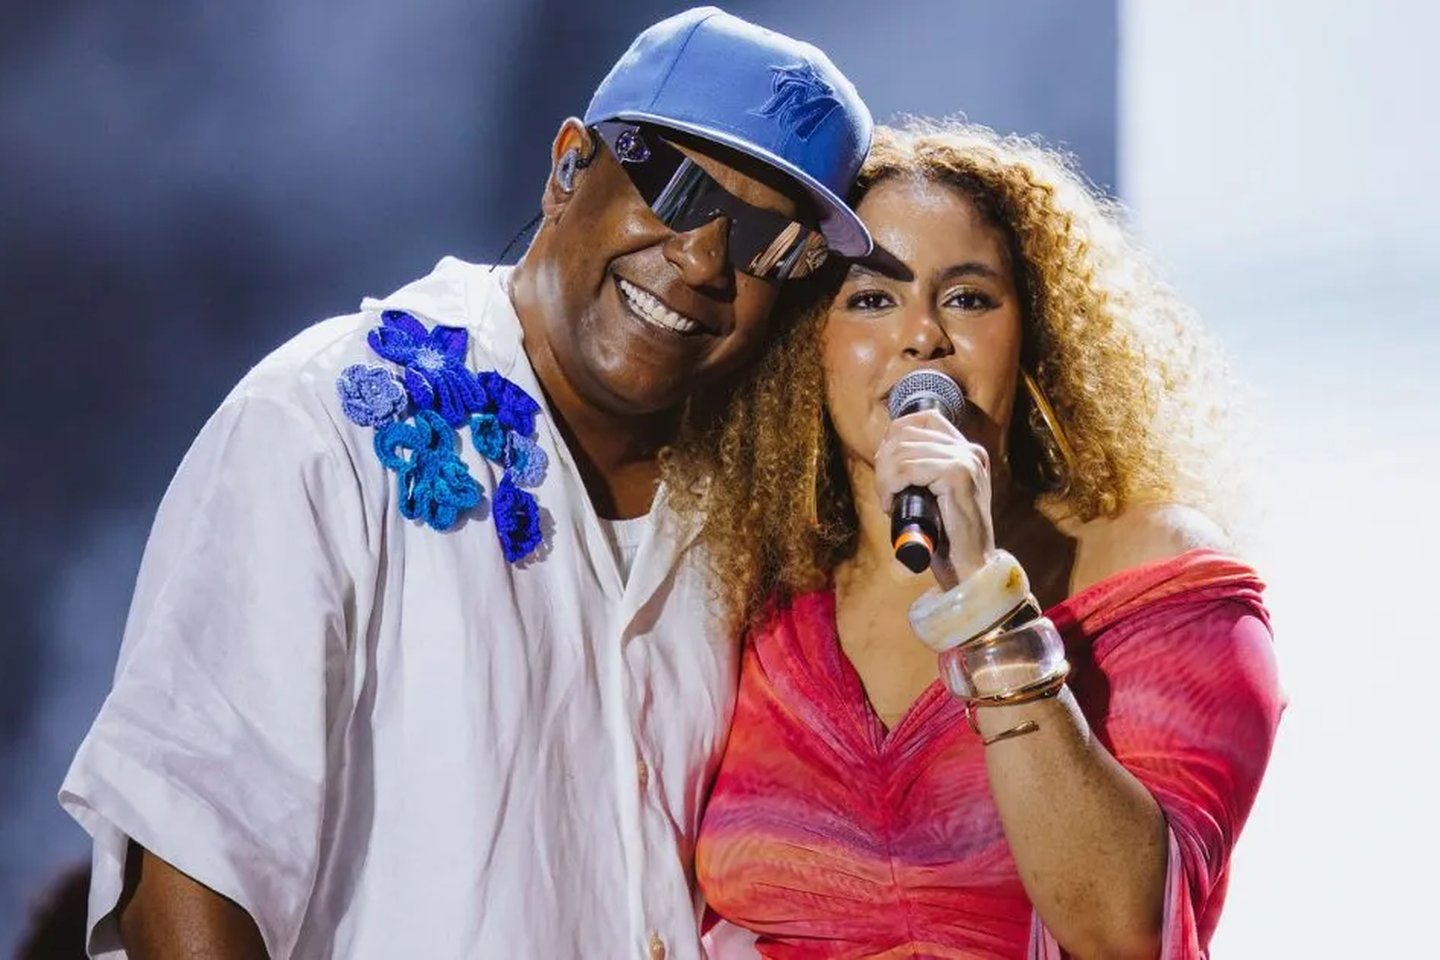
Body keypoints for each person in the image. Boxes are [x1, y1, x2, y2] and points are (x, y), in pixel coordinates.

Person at [57, 8, 872, 958]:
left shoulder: (744, 518)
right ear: (569, 167)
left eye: (767, 241)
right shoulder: (325, 423)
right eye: (678, 188)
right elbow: (186, 861)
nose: (701, 260)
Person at [681, 121, 1284, 958]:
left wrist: (982, 600)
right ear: (807, 346)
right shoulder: (761, 602)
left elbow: (1125, 933)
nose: (922, 335)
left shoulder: (1155, 576)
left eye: (967, 298)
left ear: (1037, 336)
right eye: (871, 299)